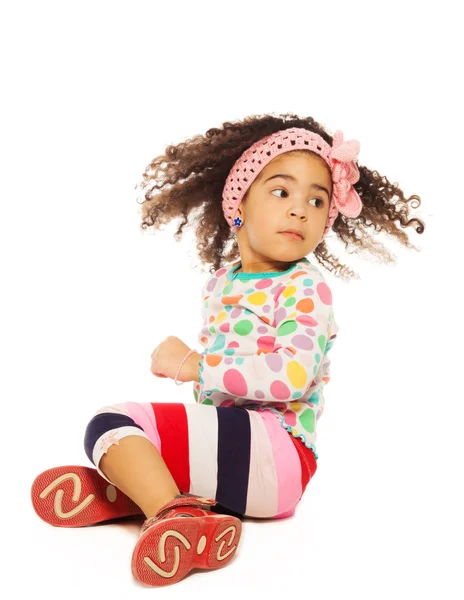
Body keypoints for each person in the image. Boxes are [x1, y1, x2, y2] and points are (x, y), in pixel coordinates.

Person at [30, 113, 425, 588]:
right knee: (121, 436)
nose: (300, 209)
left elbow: (291, 376)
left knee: (114, 422)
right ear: (238, 204)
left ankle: (167, 509)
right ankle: (168, 502)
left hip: (280, 453)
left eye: (317, 200)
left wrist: (194, 365)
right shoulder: (220, 283)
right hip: (236, 453)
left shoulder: (304, 285)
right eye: (282, 192)